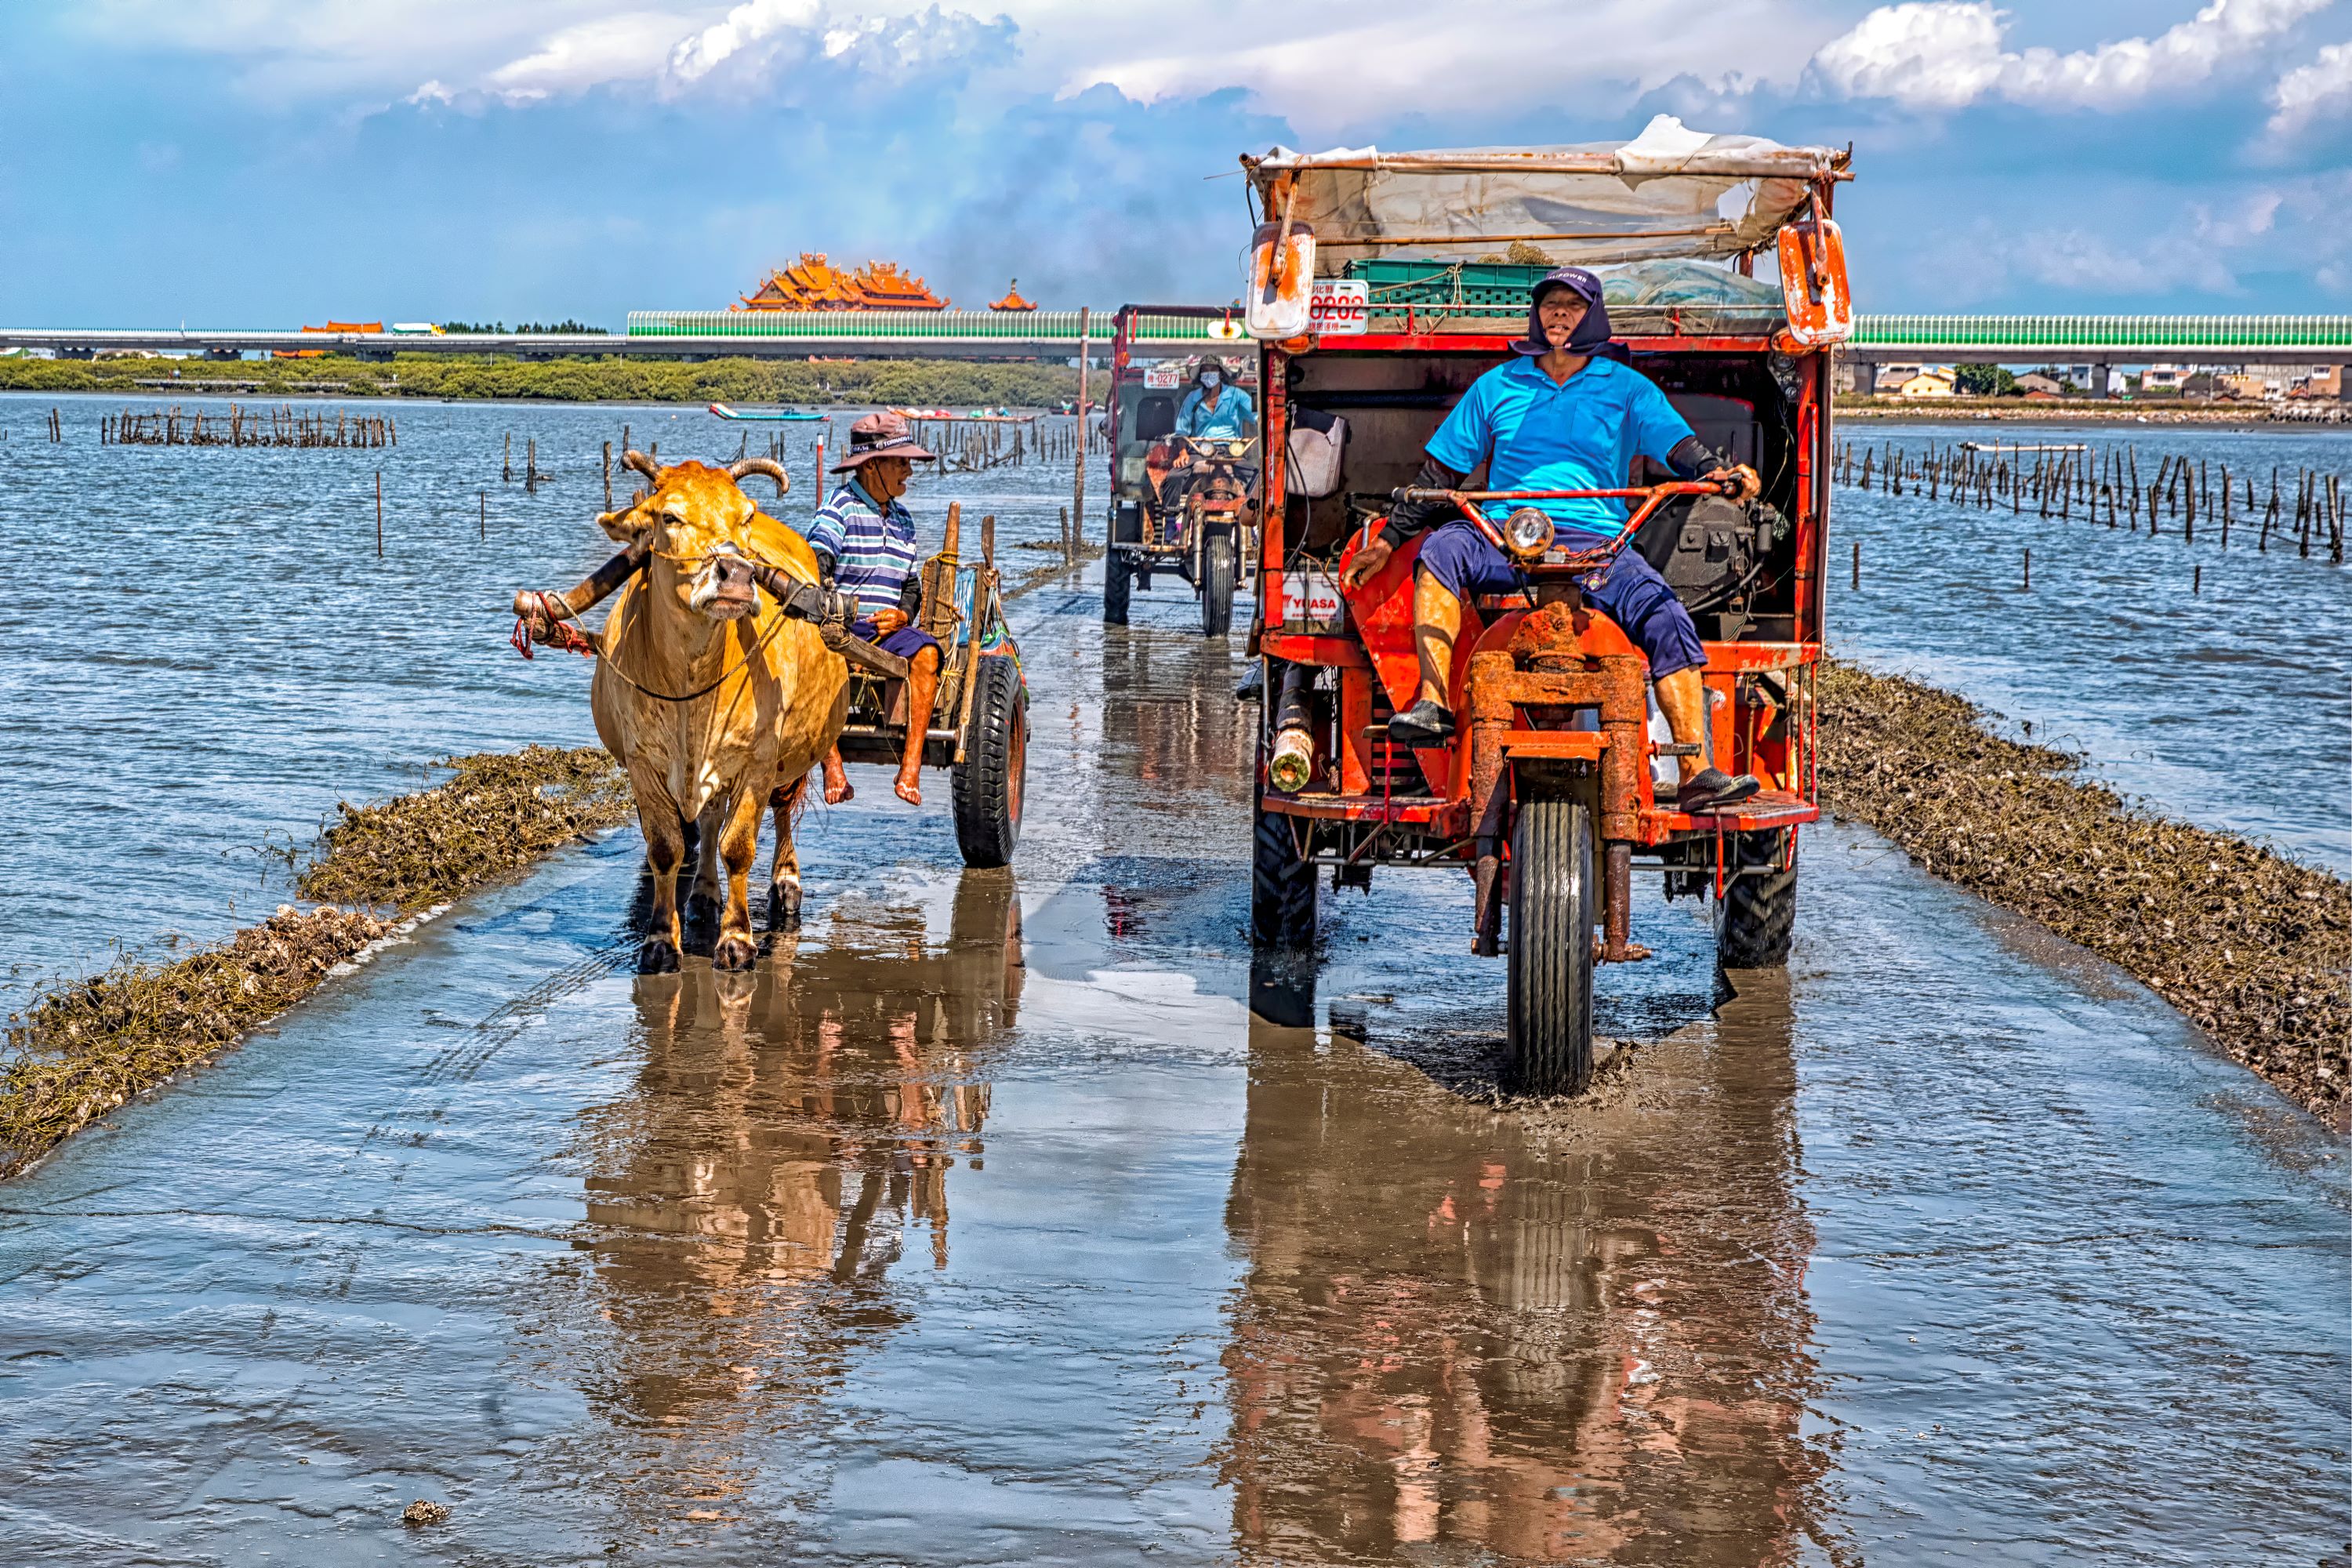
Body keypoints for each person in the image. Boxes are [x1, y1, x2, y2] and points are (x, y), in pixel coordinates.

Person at [1338, 267, 1762, 812]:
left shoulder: (1626, 388)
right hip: (1505, 534)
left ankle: (1696, 771)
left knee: (1665, 613)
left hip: (1601, 544)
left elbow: (1681, 448)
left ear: (1596, 316)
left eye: (1573, 306)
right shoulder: (1499, 385)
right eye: (1549, 306)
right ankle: (1432, 701)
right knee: (1441, 550)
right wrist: (1388, 540)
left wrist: (1721, 476)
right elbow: (1439, 475)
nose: (1559, 315)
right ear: (1536, 317)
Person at [804, 412, 944, 808]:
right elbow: (819, 562)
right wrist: (832, 614)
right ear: (870, 467)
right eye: (900, 462)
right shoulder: (839, 507)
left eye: (908, 462)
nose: (908, 471)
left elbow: (912, 587)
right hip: (843, 626)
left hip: (891, 631)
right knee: (821, 651)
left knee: (929, 654)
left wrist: (902, 615)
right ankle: (832, 765)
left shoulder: (904, 521)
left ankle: (911, 768)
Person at [1175, 358, 1255, 439]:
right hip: (1201, 448)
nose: (1209, 373)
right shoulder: (1193, 397)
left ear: (1221, 374)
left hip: (1232, 447)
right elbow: (1181, 429)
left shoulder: (1237, 394)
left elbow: (1258, 416)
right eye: (1205, 370)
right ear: (1201, 375)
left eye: (1213, 369)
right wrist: (1183, 451)